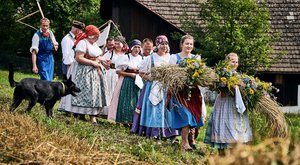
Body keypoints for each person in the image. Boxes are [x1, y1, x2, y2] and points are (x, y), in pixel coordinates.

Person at [204, 52, 252, 156]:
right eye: (233, 61)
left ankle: (233, 153)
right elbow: (214, 87)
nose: (235, 63)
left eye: (237, 62)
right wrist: (223, 85)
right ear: (227, 62)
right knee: (222, 125)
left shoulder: (240, 77)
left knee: (235, 127)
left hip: (235, 104)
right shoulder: (221, 74)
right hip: (224, 102)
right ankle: (221, 154)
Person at [137, 35, 179, 142]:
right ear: (158, 45)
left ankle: (170, 133)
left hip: (166, 86)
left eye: (166, 44)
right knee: (154, 109)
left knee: (168, 109)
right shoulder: (151, 58)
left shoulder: (171, 58)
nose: (164, 46)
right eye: (162, 44)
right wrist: (150, 78)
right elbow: (141, 72)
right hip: (154, 86)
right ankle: (154, 133)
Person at [168, 34, 206, 151]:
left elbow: (200, 75)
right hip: (179, 92)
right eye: (187, 43)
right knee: (186, 116)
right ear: (181, 45)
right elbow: (170, 74)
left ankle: (188, 142)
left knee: (192, 117)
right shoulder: (174, 58)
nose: (189, 46)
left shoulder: (197, 58)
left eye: (191, 44)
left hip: (193, 92)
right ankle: (184, 143)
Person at [69, 25, 108, 124]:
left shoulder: (94, 44)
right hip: (85, 71)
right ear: (90, 35)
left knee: (95, 94)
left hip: (96, 72)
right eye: (95, 36)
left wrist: (103, 61)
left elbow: (96, 56)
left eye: (97, 36)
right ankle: (81, 114)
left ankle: (92, 115)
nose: (97, 38)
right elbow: (79, 58)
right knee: (87, 93)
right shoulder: (83, 43)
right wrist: (92, 63)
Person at [108, 39, 143, 125]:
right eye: (135, 47)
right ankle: (123, 120)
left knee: (135, 101)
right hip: (126, 81)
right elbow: (118, 71)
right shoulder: (126, 57)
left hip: (137, 82)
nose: (137, 49)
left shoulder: (142, 58)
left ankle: (133, 121)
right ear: (131, 48)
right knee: (124, 100)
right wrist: (130, 75)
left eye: (139, 47)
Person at [58, 20, 85, 118]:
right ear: (77, 30)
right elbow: (67, 56)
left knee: (73, 87)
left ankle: (73, 109)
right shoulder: (67, 39)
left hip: (74, 66)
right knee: (67, 87)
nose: (81, 32)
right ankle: (66, 108)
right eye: (80, 30)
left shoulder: (76, 39)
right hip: (68, 66)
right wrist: (70, 71)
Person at [102, 36, 127, 119]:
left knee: (117, 93)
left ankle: (115, 112)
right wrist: (107, 65)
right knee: (109, 91)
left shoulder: (126, 55)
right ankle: (106, 112)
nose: (117, 45)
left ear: (123, 44)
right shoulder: (110, 53)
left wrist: (114, 64)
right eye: (115, 43)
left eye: (118, 43)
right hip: (111, 74)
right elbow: (103, 61)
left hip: (120, 75)